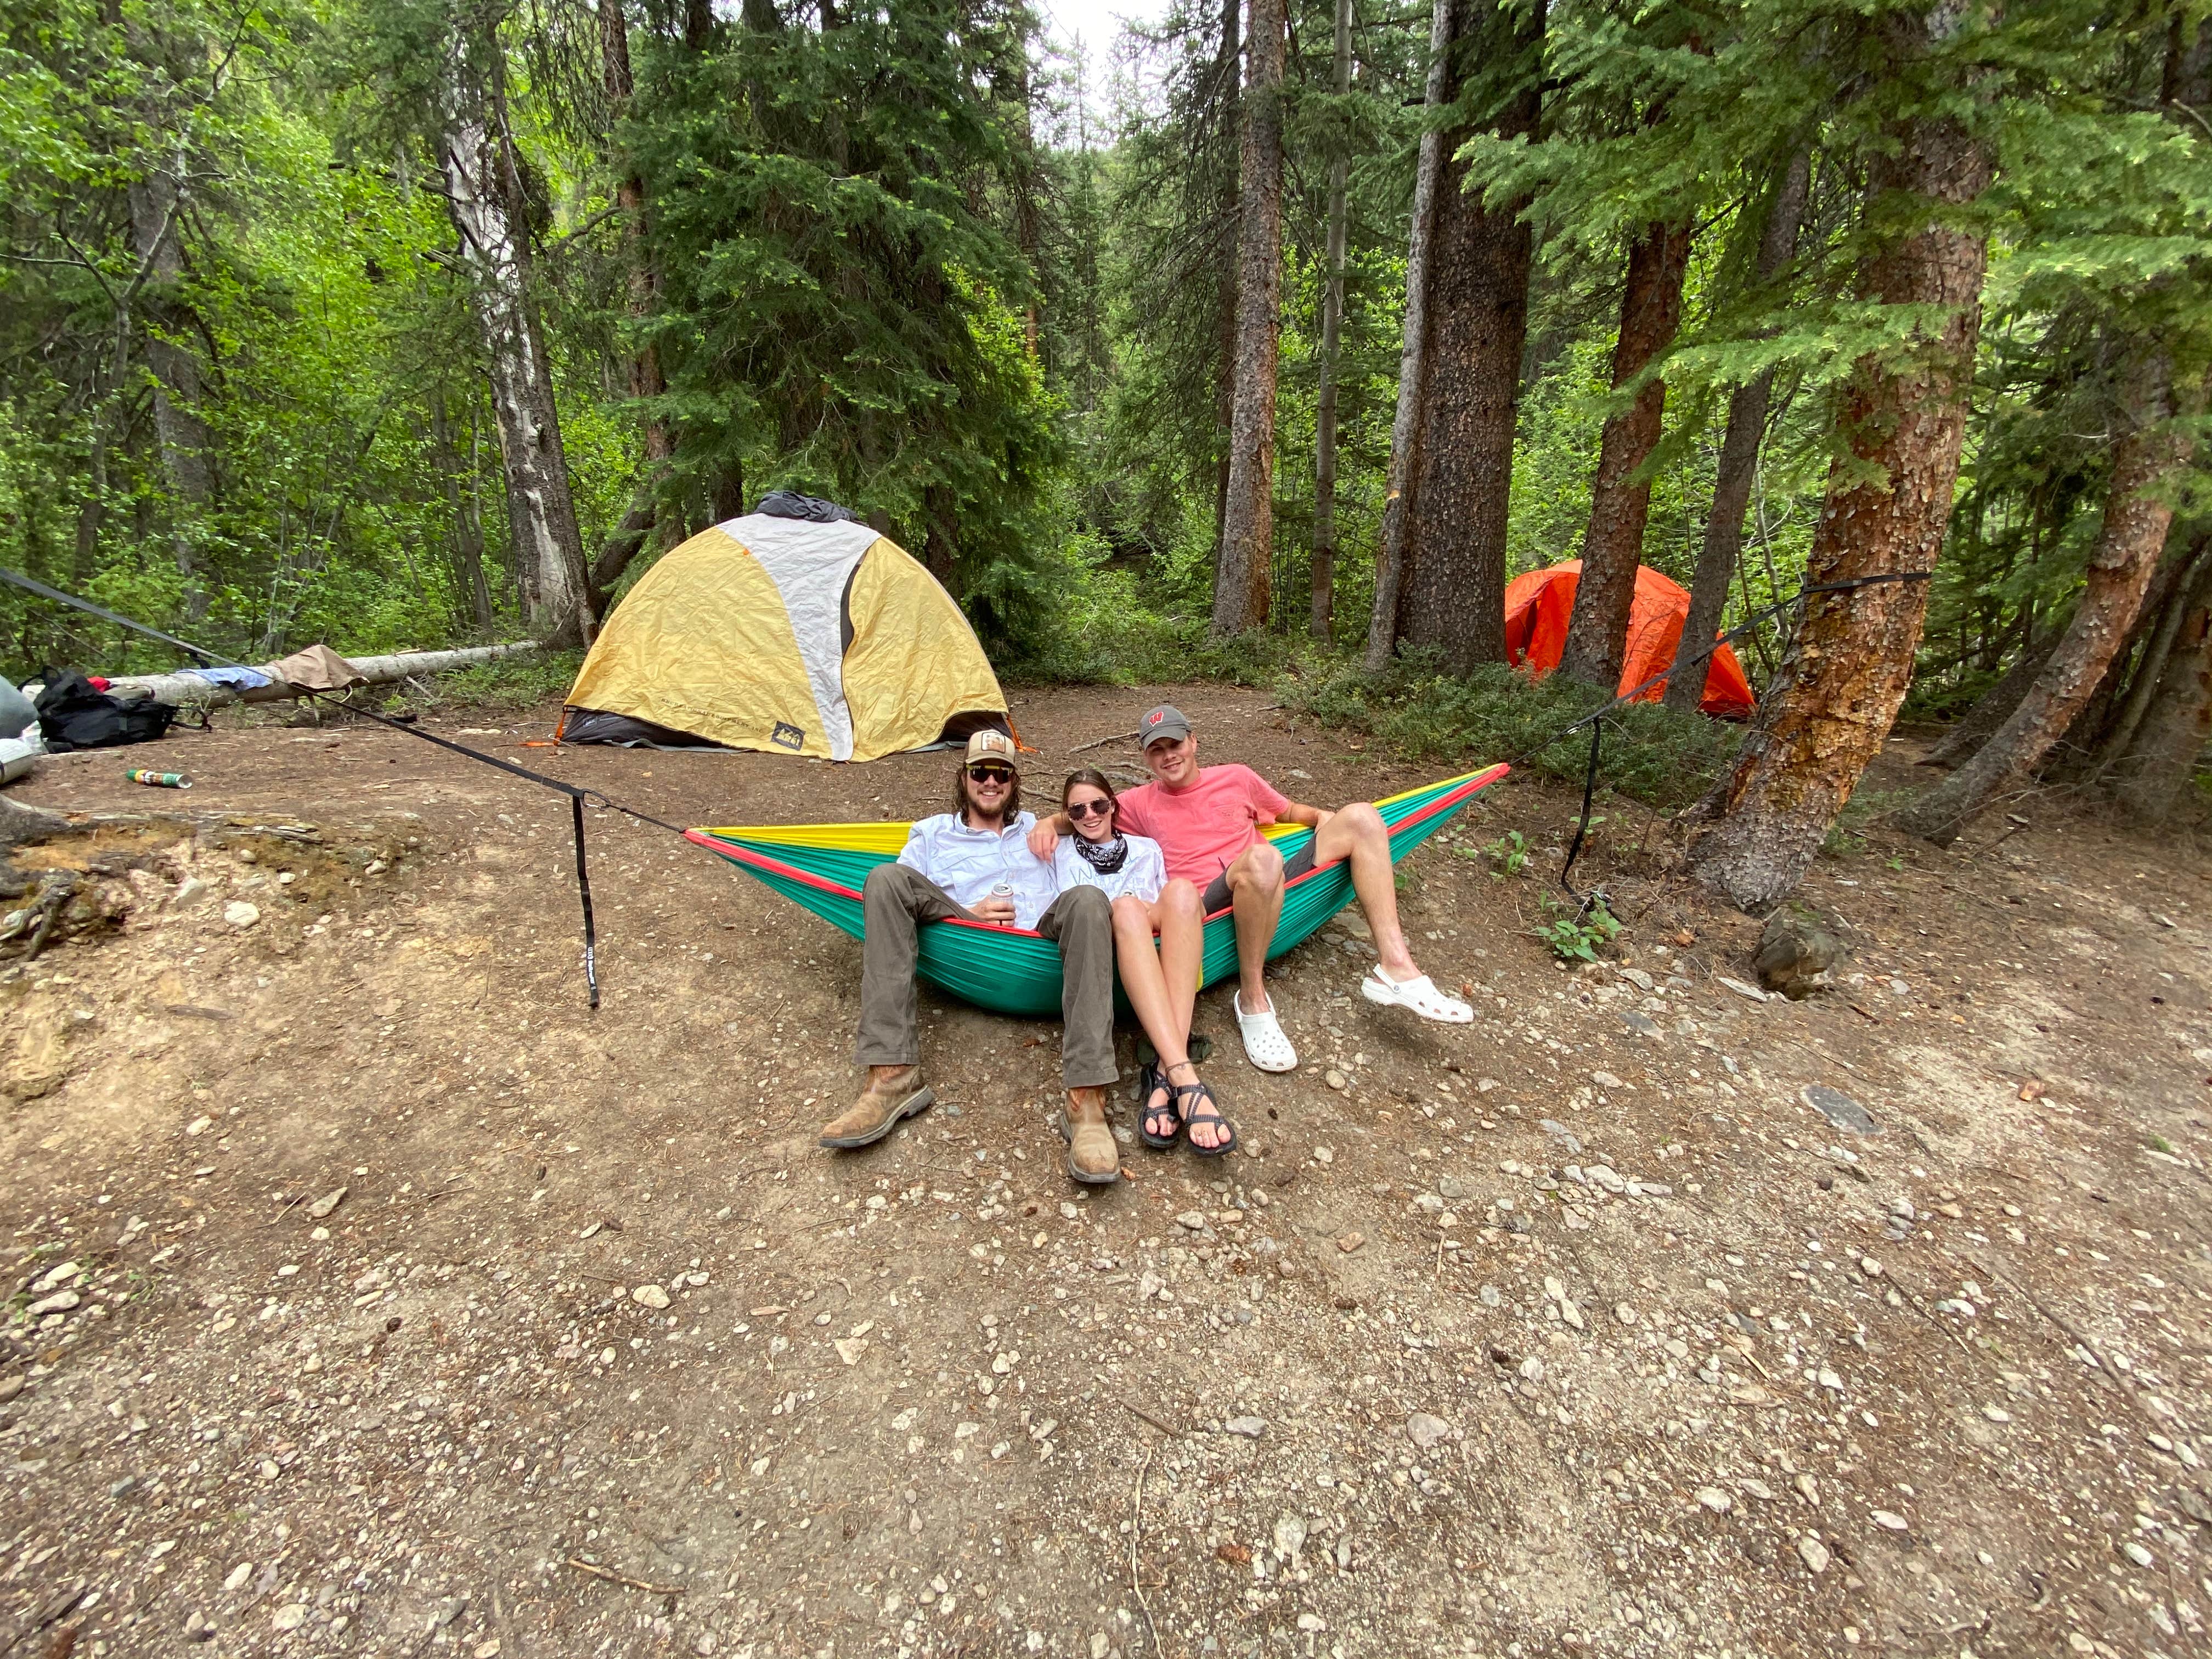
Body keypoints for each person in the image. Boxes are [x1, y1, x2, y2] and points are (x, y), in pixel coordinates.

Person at [1031, 703, 1470, 1074]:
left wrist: (1322, 819)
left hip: (1270, 880)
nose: (1168, 756)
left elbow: (1292, 811)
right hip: (1206, 901)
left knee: (1363, 817)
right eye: (1157, 750)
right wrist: (1047, 824)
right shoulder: (1141, 802)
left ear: (1194, 741)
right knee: (1262, 860)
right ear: (1147, 759)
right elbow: (1088, 814)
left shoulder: (1238, 777)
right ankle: (1253, 998)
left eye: (1175, 744)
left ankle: (1396, 967)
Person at [820, 731, 1122, 1184]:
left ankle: (1087, 1102)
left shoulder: (1037, 828)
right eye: (980, 771)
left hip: (1040, 939)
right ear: (964, 777)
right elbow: (901, 903)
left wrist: (1056, 820)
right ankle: (891, 1076)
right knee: (884, 879)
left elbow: (1107, 810)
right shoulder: (932, 833)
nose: (990, 782)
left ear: (1014, 781)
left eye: (1001, 774)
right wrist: (970, 914)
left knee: (1089, 898)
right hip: (963, 928)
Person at [1053, 769, 1233, 1154]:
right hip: (1104, 935)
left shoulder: (1146, 848)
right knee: (1126, 907)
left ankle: (1166, 1069)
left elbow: (1167, 908)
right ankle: (1183, 1076)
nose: (1089, 814)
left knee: (1183, 892)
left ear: (1113, 806)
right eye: (1077, 809)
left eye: (1098, 805)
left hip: (1148, 934)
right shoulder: (1055, 851)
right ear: (1067, 816)